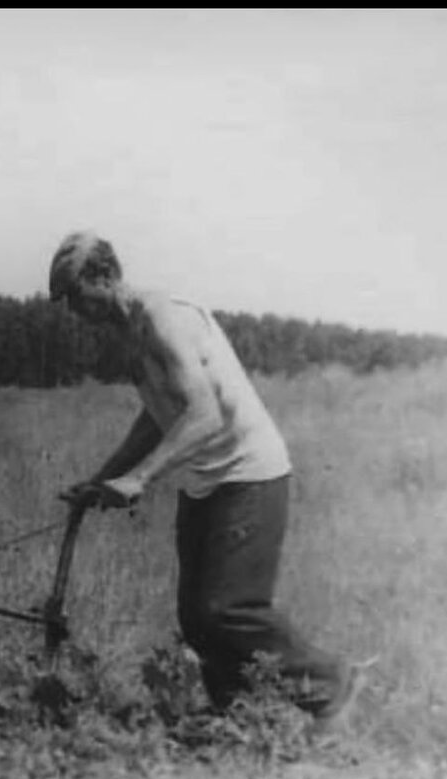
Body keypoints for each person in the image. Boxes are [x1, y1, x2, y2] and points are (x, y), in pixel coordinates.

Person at [48, 229, 370, 733]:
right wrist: (101, 480)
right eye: (64, 301)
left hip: (250, 473)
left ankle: (332, 683)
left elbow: (204, 416)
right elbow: (157, 415)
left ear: (105, 277)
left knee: (229, 609)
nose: (72, 310)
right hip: (206, 480)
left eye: (74, 295)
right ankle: (236, 712)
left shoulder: (162, 316)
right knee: (197, 618)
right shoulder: (129, 332)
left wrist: (141, 478)